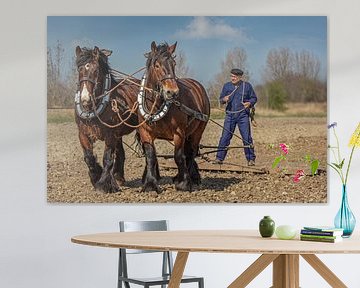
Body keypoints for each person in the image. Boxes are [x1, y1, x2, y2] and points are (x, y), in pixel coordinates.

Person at [214, 68, 257, 166]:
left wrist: (249, 103)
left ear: (240, 77)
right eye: (231, 76)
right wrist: (224, 99)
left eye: (234, 76)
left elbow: (254, 98)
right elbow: (221, 99)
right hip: (230, 115)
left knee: (246, 138)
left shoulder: (247, 86)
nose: (232, 78)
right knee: (225, 137)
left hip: (243, 116)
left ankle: (251, 159)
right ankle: (219, 158)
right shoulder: (226, 86)